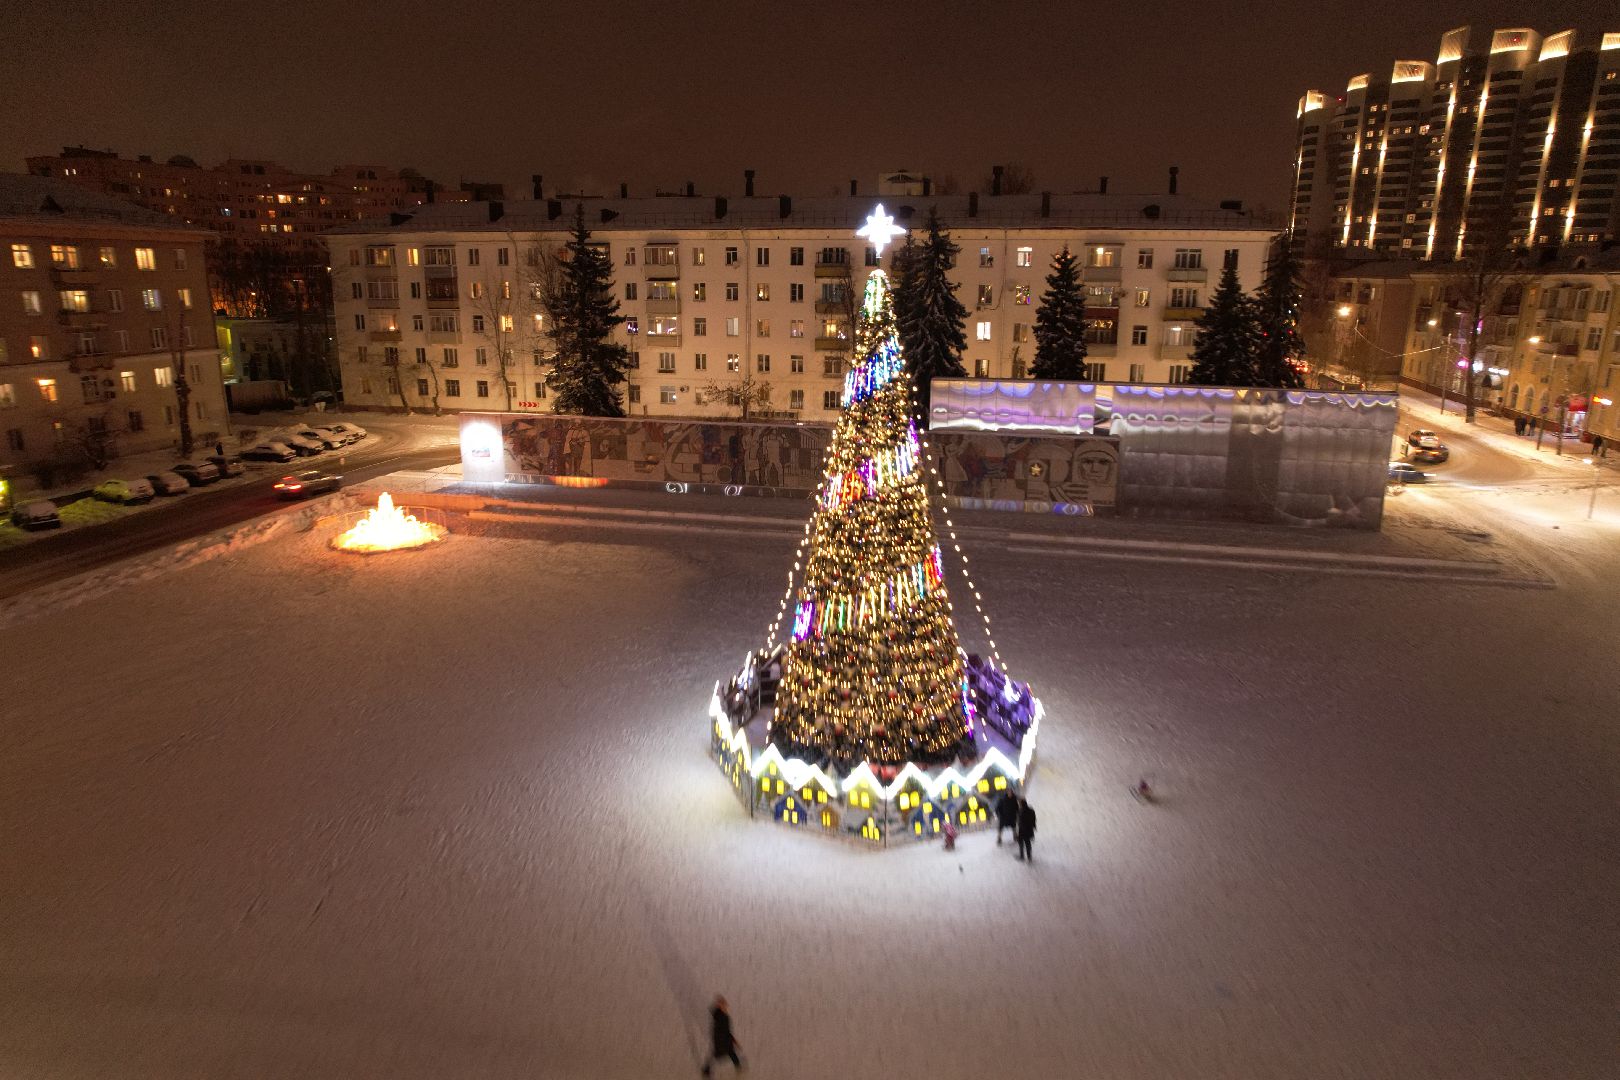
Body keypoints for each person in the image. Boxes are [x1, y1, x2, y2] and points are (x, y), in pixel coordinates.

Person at [702, 995, 742, 1076]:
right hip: (722, 1039)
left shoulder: (720, 1015)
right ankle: (706, 1070)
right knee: (719, 1053)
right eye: (723, 1004)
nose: (726, 1005)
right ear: (719, 1006)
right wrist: (733, 1040)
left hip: (722, 1038)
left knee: (729, 1052)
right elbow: (725, 1030)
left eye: (724, 1004)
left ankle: (738, 1066)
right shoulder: (721, 1017)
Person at [1015, 797, 1036, 862]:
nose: (1018, 804)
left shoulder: (1021, 811)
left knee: (1021, 842)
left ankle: (1022, 856)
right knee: (1028, 843)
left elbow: (1020, 821)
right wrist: (1033, 827)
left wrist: (1018, 831)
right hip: (1029, 829)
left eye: (1019, 803)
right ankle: (1029, 857)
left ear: (1021, 804)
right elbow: (1034, 819)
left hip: (1022, 830)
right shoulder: (1031, 810)